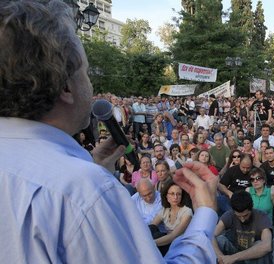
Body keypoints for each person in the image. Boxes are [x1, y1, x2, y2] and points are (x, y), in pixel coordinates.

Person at [0, 1, 218, 263]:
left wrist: (95, 167)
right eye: (87, 72)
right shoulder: (85, 190)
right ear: (66, 87)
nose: (90, 84)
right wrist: (205, 213)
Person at [213, 191, 273, 264]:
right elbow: (211, 236)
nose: (242, 219)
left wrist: (234, 258)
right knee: (219, 240)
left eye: (245, 215)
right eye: (239, 216)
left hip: (253, 256)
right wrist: (220, 257)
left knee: (261, 246)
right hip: (236, 251)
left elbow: (267, 245)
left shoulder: (261, 216)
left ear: (251, 208)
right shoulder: (229, 214)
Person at [150, 181, 193, 256]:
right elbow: (152, 225)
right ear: (166, 196)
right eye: (172, 194)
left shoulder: (187, 212)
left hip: (181, 245)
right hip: (167, 243)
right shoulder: (165, 210)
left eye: (178, 194)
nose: (175, 197)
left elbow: (173, 236)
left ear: (182, 196)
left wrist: (150, 243)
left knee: (157, 238)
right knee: (151, 229)